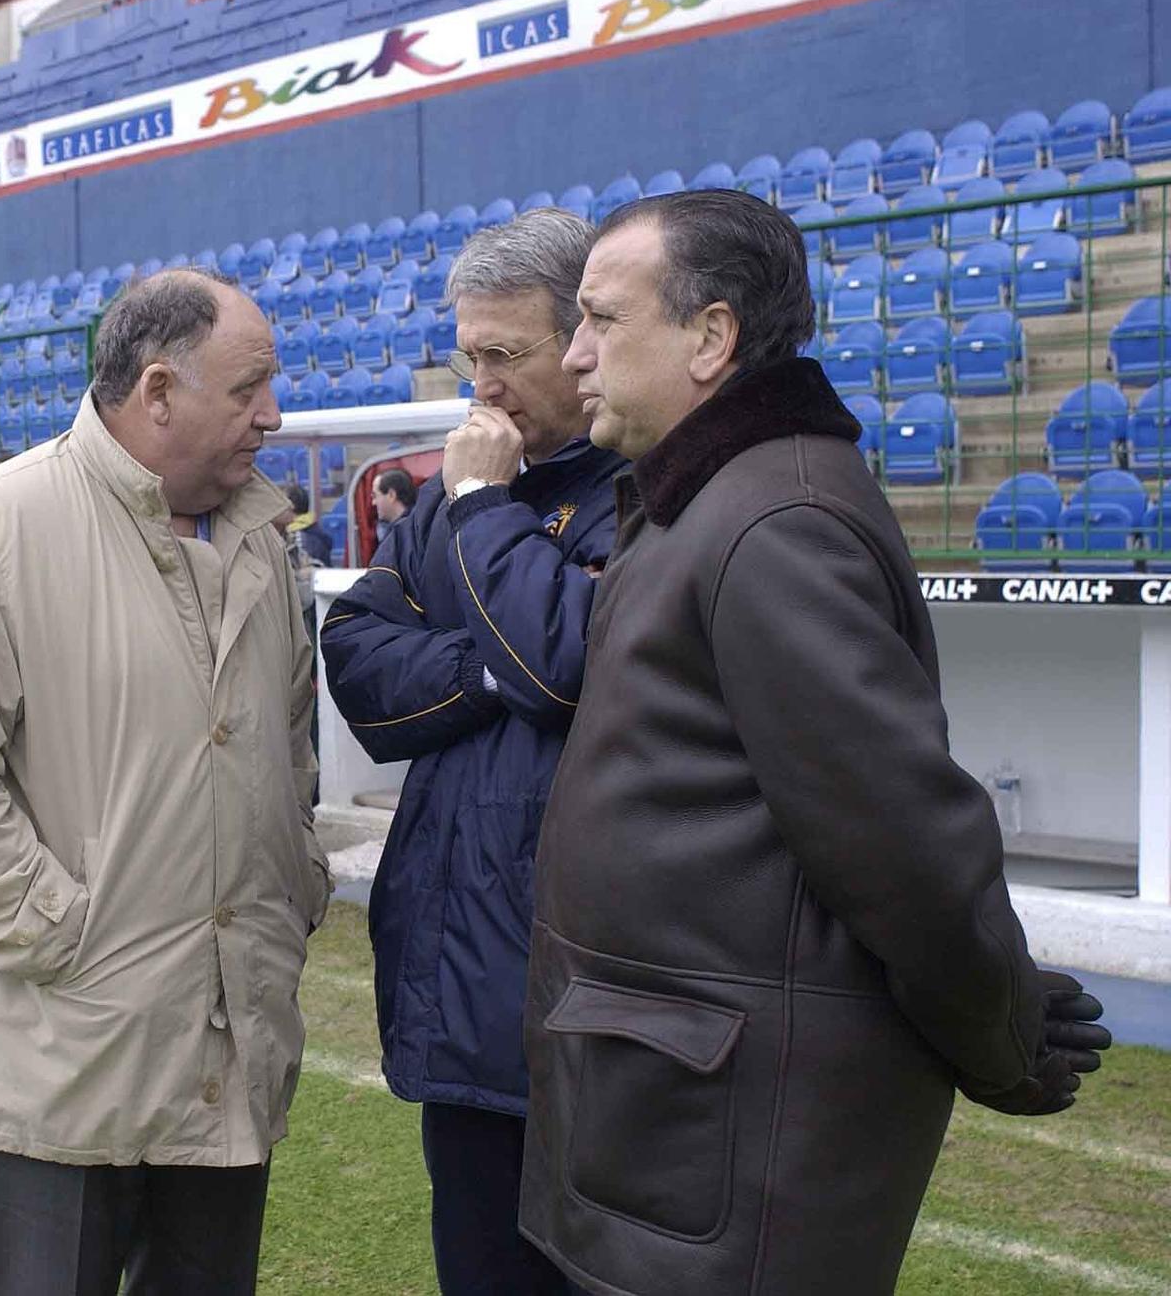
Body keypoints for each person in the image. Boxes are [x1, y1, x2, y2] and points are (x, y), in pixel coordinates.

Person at [519, 189, 1111, 1294]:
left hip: (727, 1145)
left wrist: (1008, 1037)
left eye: (601, 320)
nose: (574, 353)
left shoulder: (770, 521)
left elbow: (900, 844)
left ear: (709, 337)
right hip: (667, 1119)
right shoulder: (699, 502)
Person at [0, 268, 330, 1296]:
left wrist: (292, 882)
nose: (273, 413)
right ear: (157, 391)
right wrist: (64, 937)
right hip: (57, 1069)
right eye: (249, 386)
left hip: (227, 1054)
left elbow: (282, 750)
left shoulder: (262, 537)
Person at [320, 210, 623, 1296]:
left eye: (507, 356)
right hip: (456, 989)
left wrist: (485, 510)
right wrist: (485, 667)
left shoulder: (638, 485)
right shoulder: (449, 502)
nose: (481, 388)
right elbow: (355, 654)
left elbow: (562, 667)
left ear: (582, 339)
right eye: (468, 358)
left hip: (586, 1001)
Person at [371, 467, 414, 544]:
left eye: (375, 496)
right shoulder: (413, 527)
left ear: (391, 495)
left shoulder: (404, 537)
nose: (373, 503)